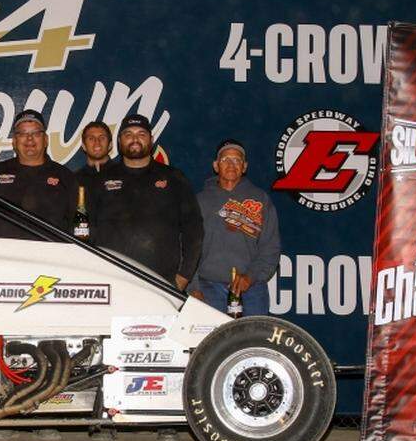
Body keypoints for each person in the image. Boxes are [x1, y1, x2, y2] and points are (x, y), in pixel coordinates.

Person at [90, 114, 203, 290]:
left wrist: (184, 277)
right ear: (119, 141)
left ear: (151, 140)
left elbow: (194, 229)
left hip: (162, 283)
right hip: (113, 281)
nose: (134, 139)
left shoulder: (174, 178)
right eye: (128, 134)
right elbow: (85, 231)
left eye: (141, 134)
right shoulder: (101, 179)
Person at [191, 140, 280, 315]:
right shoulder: (199, 201)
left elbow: (271, 247)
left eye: (237, 160)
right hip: (208, 287)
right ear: (216, 166)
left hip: (251, 289)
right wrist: (193, 287)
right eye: (225, 160)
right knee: (211, 341)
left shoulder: (260, 199)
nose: (231, 164)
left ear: (244, 166)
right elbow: (188, 247)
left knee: (253, 340)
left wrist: (250, 277)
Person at [0, 109, 78, 239]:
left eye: (35, 133)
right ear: (14, 141)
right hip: (5, 256)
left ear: (45, 140)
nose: (29, 138)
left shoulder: (65, 177)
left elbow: (77, 225)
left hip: (52, 256)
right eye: (23, 133)